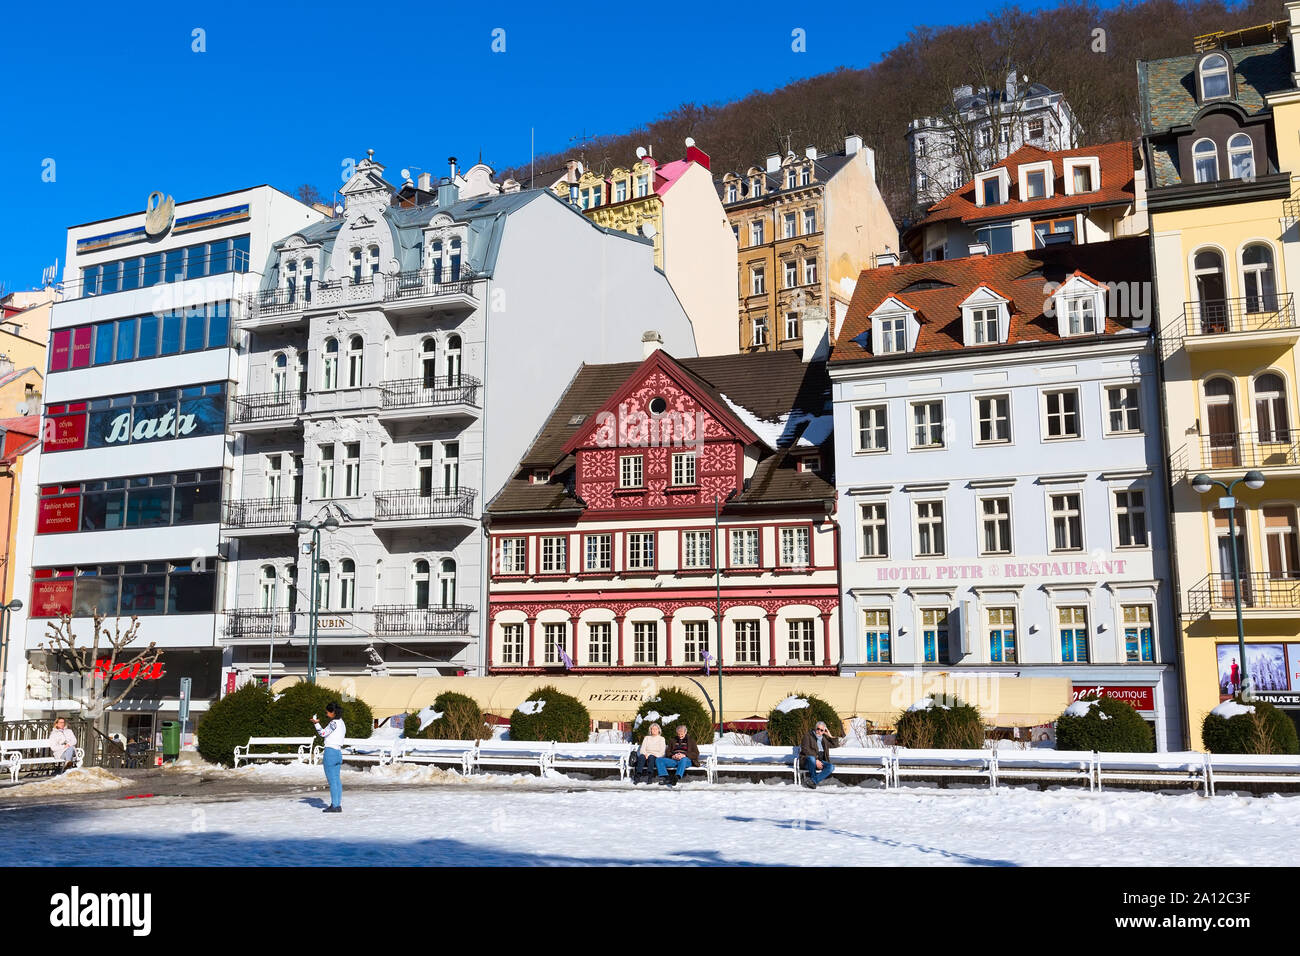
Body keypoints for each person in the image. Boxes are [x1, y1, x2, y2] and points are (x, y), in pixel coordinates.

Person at [312, 702, 346, 813]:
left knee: (332, 781)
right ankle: (338, 804)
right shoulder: (342, 723)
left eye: (327, 712)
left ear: (333, 712)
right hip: (338, 752)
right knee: (337, 780)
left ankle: (334, 805)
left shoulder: (333, 723)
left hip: (330, 752)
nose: (326, 714)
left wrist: (316, 723)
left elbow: (322, 733)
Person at [800, 721, 836, 789]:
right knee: (811, 759)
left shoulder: (824, 739)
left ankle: (813, 781)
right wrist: (816, 760)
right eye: (818, 729)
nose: (819, 731)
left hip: (821, 761)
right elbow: (805, 750)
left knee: (831, 767)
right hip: (807, 762)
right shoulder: (808, 736)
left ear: (824, 731)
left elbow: (834, 745)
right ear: (815, 728)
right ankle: (813, 781)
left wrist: (830, 735)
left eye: (821, 730)